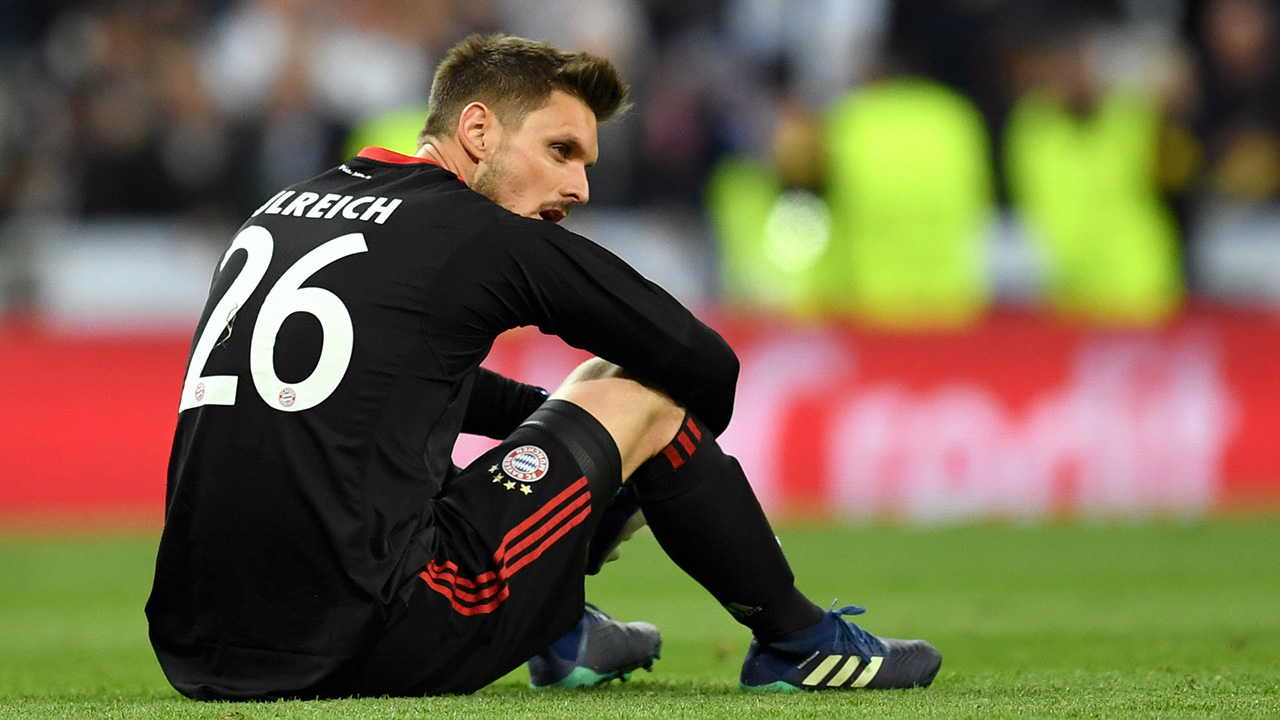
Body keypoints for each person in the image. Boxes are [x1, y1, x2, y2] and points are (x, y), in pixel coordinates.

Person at [145, 33, 941, 700]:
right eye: (561, 151)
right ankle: (799, 641)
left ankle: (559, 626)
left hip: (197, 643)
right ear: (478, 131)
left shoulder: (285, 209)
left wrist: (557, 434)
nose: (578, 186)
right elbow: (702, 362)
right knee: (639, 392)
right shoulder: (477, 233)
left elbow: (381, 381)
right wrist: (625, 474)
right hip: (370, 640)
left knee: (523, 409)